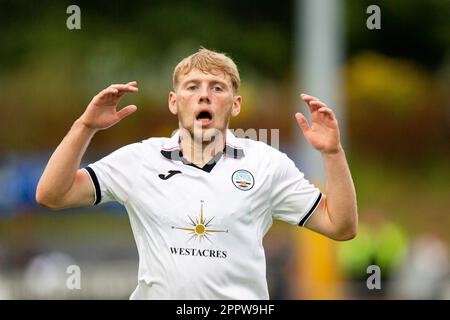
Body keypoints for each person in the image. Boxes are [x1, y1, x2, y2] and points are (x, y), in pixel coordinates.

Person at [36, 48, 358, 299]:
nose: (204, 95)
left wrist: (332, 153)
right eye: (193, 87)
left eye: (217, 88)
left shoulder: (266, 163)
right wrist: (85, 126)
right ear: (174, 102)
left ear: (235, 105)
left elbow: (340, 226)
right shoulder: (141, 159)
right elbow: (52, 194)